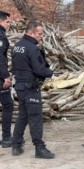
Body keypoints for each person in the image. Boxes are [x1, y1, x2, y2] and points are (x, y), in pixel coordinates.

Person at [11, 21, 55, 158]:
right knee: (35, 117)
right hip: (30, 87)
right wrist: (51, 73)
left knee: (23, 115)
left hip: (20, 86)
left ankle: (16, 146)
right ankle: (39, 148)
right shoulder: (32, 48)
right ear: (31, 33)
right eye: (39, 34)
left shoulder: (17, 46)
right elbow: (39, 69)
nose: (41, 36)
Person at [0, 11, 14, 148]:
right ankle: (6, 137)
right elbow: (0, 59)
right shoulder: (1, 36)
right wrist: (5, 77)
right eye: (7, 22)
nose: (9, 24)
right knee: (8, 106)